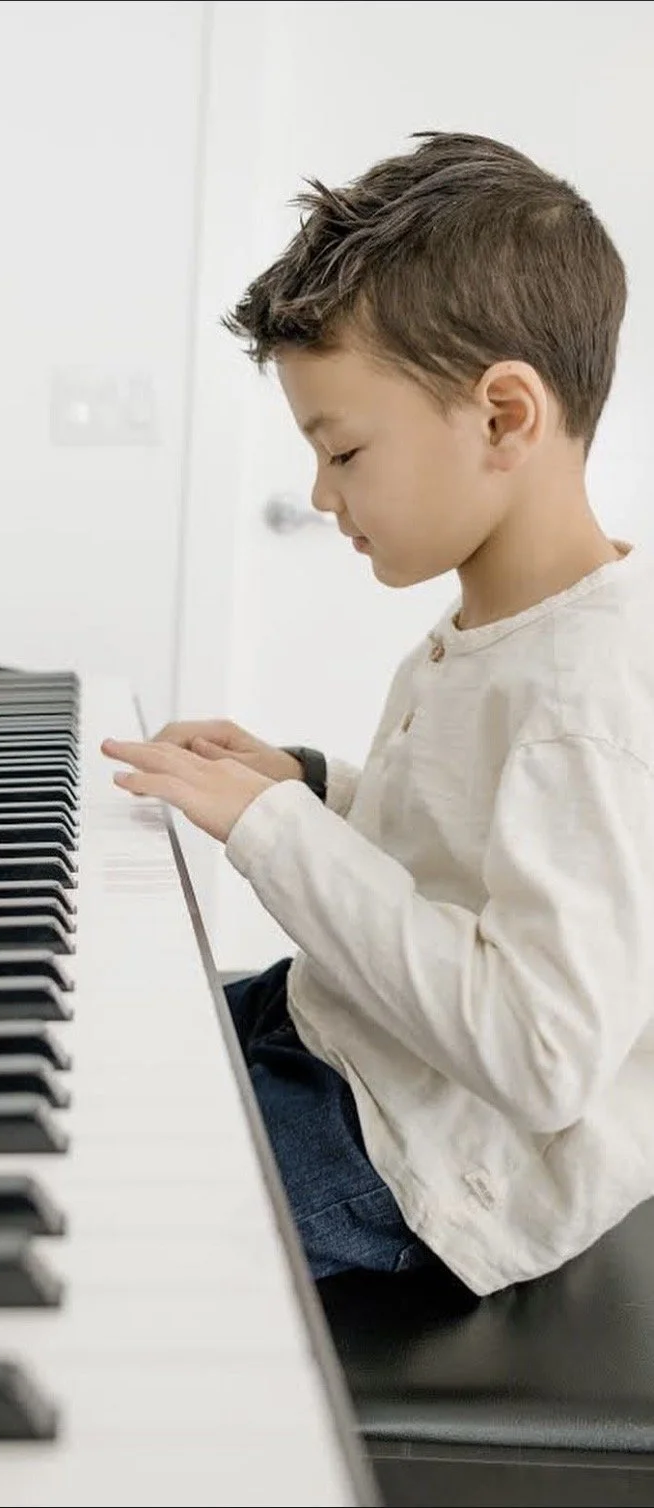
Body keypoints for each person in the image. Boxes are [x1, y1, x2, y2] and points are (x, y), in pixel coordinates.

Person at [102, 131, 654, 1297]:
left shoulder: (589, 691)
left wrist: (277, 832)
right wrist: (307, 784)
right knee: (101, 1054)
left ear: (505, 417)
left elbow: (542, 1051)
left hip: (429, 1155)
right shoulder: (509, 626)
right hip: (359, 1043)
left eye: (343, 448)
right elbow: (464, 858)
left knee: (93, 1211)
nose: (321, 492)